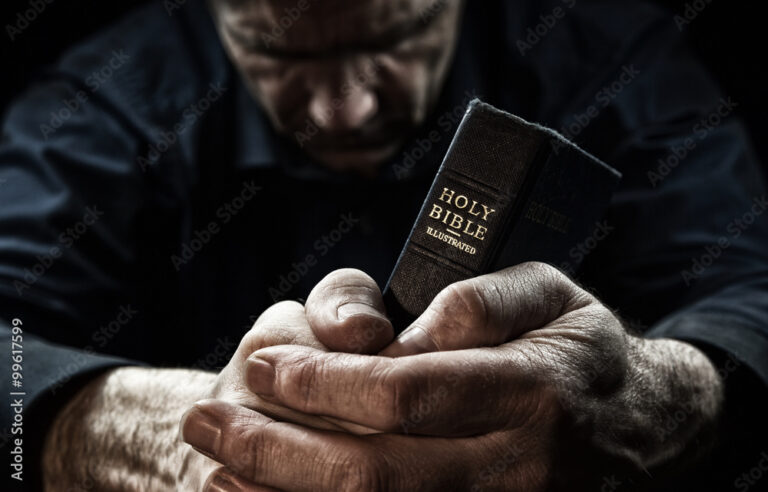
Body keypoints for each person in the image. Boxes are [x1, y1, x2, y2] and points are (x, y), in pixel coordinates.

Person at [1, 0, 767, 490]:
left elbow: (750, 287)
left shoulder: (608, 54)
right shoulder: (108, 102)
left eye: (396, 36)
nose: (347, 107)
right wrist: (184, 436)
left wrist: (651, 399)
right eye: (285, 53)